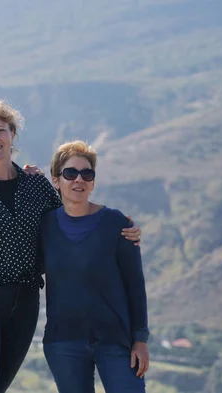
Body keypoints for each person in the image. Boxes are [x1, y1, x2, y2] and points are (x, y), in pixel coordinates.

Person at [0, 98, 142, 393]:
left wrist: (116, 224)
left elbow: (71, 215)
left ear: (12, 134)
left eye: (1, 130)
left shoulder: (36, 185)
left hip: (24, 302)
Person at [40, 140, 150, 393]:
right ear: (56, 180)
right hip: (63, 343)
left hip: (116, 342)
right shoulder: (44, 226)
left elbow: (135, 284)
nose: (79, 179)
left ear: (93, 182)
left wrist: (140, 340)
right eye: (70, 173)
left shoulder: (116, 223)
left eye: (86, 174)